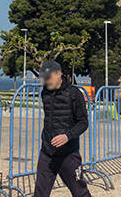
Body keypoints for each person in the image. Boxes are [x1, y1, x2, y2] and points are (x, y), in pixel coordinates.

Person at [33, 60, 91, 197]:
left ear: (58, 74)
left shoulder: (74, 93)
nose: (46, 81)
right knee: (40, 193)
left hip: (68, 154)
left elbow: (83, 122)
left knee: (80, 192)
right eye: (44, 78)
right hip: (47, 152)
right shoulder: (45, 93)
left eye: (49, 77)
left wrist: (67, 136)